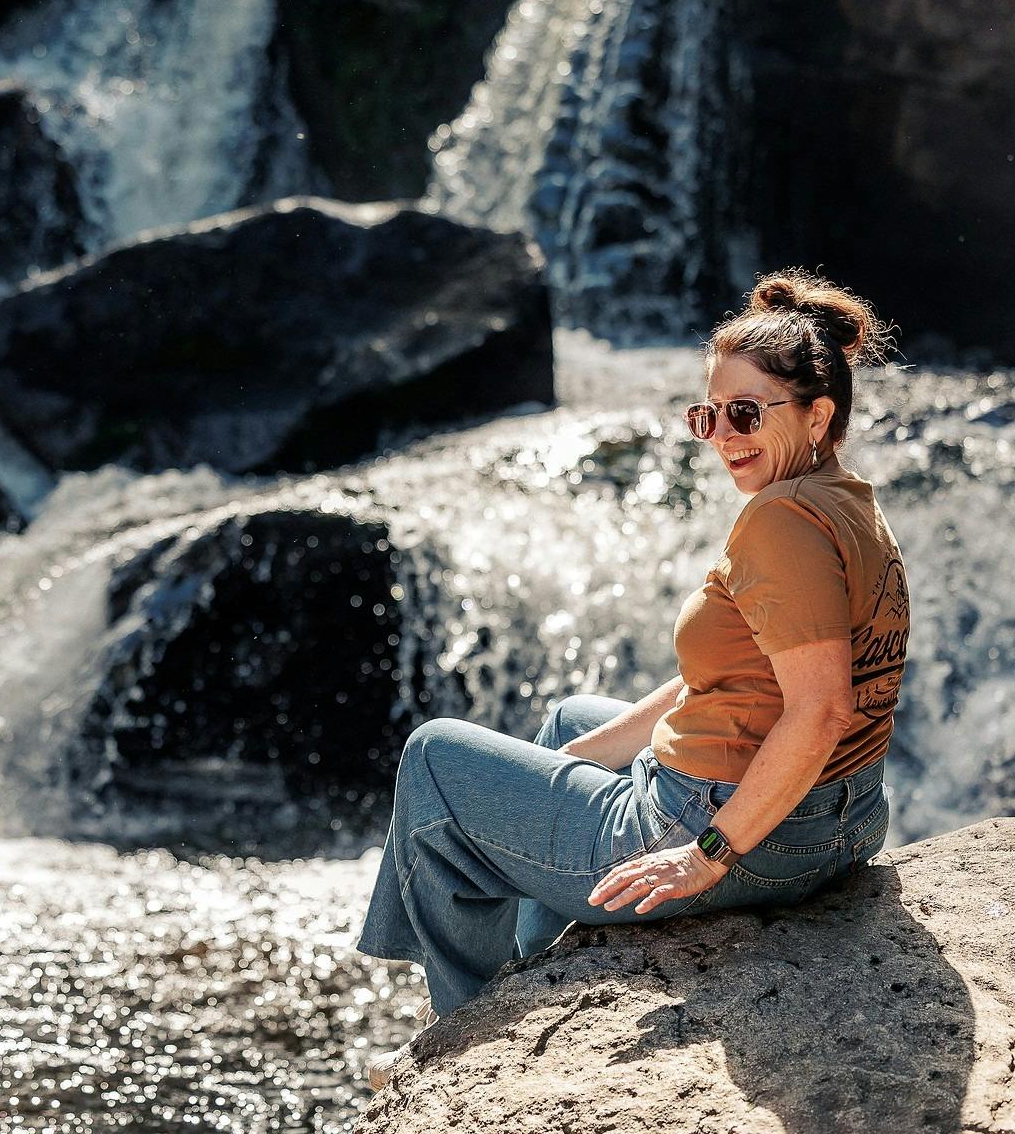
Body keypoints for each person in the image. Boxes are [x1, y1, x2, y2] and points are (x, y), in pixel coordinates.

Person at [357, 273, 908, 1086]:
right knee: (566, 722)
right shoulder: (846, 502)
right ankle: (533, 969)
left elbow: (820, 711)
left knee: (435, 758)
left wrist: (709, 854)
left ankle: (459, 1037)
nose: (724, 436)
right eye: (709, 416)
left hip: (738, 832)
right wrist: (571, 763)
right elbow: (736, 676)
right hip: (845, 821)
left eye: (747, 413)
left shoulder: (780, 524)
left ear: (818, 415)